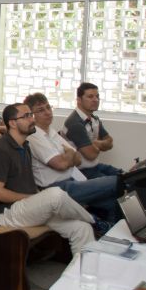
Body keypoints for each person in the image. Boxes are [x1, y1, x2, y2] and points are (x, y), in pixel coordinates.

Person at [0, 103, 95, 254]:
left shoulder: (24, 146)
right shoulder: (0, 150)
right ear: (12, 123)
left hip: (27, 208)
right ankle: (93, 220)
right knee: (55, 195)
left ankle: (81, 268)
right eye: (26, 116)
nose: (32, 119)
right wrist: (32, 198)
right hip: (7, 213)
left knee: (82, 228)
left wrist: (35, 198)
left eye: (31, 114)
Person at [24, 93, 120, 225]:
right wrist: (69, 155)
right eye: (41, 110)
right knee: (117, 181)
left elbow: (78, 159)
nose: (47, 112)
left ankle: (108, 232)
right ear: (31, 116)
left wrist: (67, 157)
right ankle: (100, 226)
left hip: (73, 179)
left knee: (113, 202)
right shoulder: (34, 136)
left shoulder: (51, 131)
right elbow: (61, 164)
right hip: (57, 189)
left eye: (48, 107)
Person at [62, 82, 122, 179]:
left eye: (97, 96)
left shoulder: (94, 119)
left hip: (94, 166)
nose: (95, 100)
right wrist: (101, 144)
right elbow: (91, 155)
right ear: (79, 100)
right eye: (90, 97)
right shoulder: (75, 123)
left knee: (126, 176)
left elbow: (110, 142)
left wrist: (96, 144)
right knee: (117, 183)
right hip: (81, 171)